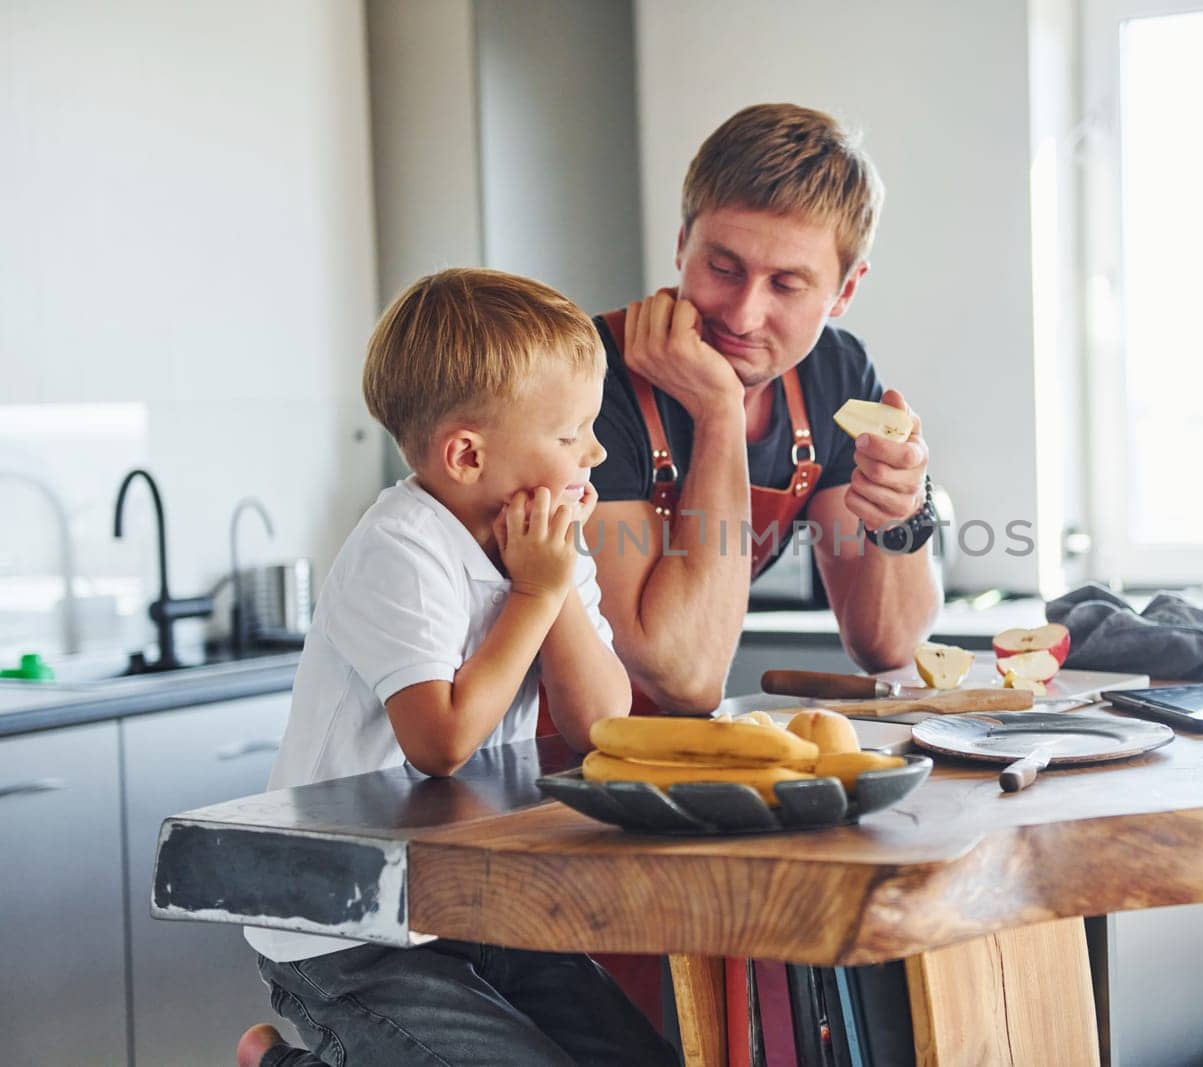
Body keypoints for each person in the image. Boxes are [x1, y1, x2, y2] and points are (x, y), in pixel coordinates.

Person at [238, 268, 676, 1066]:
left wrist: (556, 585)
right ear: (468, 454)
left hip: (472, 900)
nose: (598, 448)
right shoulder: (400, 548)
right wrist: (536, 594)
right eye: (572, 432)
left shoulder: (542, 547)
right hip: (343, 923)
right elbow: (438, 742)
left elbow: (604, 725)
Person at [585, 103, 943, 715]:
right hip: (520, 751)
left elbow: (887, 644)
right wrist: (720, 410)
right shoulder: (588, 376)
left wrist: (904, 514)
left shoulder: (835, 374)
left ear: (845, 292)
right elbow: (683, 674)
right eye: (723, 268)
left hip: (664, 752)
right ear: (682, 246)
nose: (742, 315)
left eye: (786, 285)